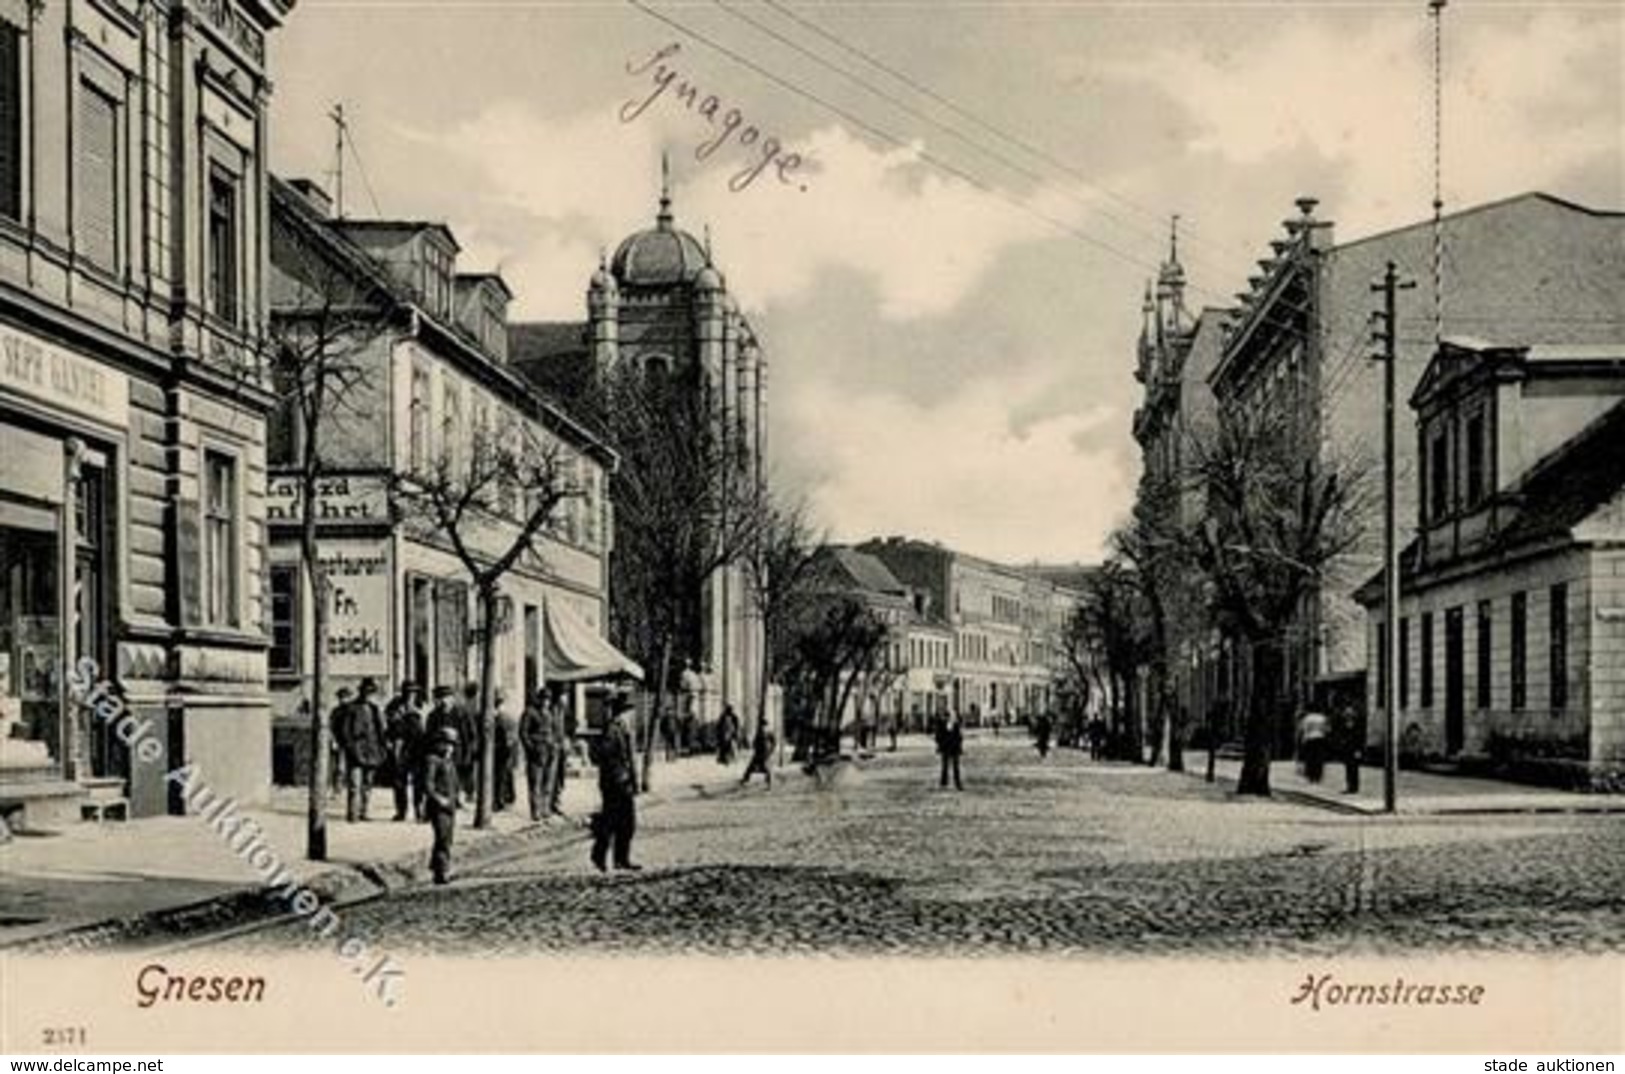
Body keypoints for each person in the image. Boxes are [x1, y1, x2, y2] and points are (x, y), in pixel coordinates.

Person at [590, 694, 641, 872]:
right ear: (622, 713)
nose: (632, 716)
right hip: (614, 783)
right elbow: (607, 756)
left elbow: (630, 758)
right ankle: (600, 855)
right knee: (612, 821)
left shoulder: (624, 729)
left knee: (626, 823)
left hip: (624, 781)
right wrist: (620, 776)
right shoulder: (612, 730)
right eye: (630, 712)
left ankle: (621, 859)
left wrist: (635, 781)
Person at [335, 679, 387, 822]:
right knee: (354, 784)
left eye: (372, 692)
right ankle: (353, 814)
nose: (369, 695)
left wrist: (382, 749)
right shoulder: (351, 708)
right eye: (367, 692)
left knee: (367, 784)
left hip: (372, 751)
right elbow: (345, 732)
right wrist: (351, 748)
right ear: (361, 692)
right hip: (356, 751)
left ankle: (364, 811)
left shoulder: (375, 709)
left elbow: (380, 731)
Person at [385, 681, 426, 821]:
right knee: (399, 781)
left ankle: (419, 809)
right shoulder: (394, 706)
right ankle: (401, 811)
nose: (411, 695)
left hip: (418, 747)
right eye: (408, 692)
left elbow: (425, 727)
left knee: (419, 781)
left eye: (414, 692)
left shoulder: (422, 706)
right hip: (400, 746)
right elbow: (389, 723)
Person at [423, 726, 460, 885]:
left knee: (447, 838)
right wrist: (439, 799)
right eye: (446, 744)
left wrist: (457, 799)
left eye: (452, 745)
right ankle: (441, 872)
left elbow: (454, 783)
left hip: (450, 805)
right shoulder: (432, 760)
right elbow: (428, 785)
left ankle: (437, 868)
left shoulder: (448, 761)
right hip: (438, 807)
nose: (449, 748)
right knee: (442, 838)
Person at [519, 688, 553, 822]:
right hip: (536, 752)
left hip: (548, 751)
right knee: (535, 783)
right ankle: (535, 811)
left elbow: (551, 731)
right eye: (544, 699)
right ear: (538, 699)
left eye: (548, 700)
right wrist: (530, 749)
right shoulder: (530, 712)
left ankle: (545, 809)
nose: (546, 702)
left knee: (547, 782)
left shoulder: (548, 714)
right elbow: (523, 733)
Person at [493, 688, 518, 812]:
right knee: (505, 776)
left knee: (501, 777)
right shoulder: (509, 717)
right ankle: (505, 799)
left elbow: (509, 738)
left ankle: (501, 800)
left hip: (502, 752)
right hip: (505, 751)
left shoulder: (503, 718)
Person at [1297, 708, 1331, 784]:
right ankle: (1318, 776)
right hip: (1320, 738)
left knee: (1310, 758)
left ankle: (1310, 776)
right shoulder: (1322, 717)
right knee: (1319, 758)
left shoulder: (1307, 718)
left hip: (1309, 738)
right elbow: (1327, 729)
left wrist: (1302, 740)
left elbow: (1304, 729)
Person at [740, 720, 775, 788]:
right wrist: (754, 747)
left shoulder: (768, 733)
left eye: (764, 726)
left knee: (766, 768)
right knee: (751, 767)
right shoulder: (759, 733)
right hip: (758, 753)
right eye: (762, 726)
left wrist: (771, 750)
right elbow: (755, 742)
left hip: (765, 754)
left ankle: (769, 783)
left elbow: (773, 742)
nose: (763, 727)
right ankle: (745, 780)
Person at [935, 711, 964, 791]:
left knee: (955, 766)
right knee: (945, 766)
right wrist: (940, 745)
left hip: (954, 748)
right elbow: (938, 736)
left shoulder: (956, 725)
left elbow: (959, 737)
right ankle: (944, 782)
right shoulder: (942, 724)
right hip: (946, 747)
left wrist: (959, 746)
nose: (951, 718)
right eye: (950, 717)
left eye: (952, 717)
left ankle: (957, 783)